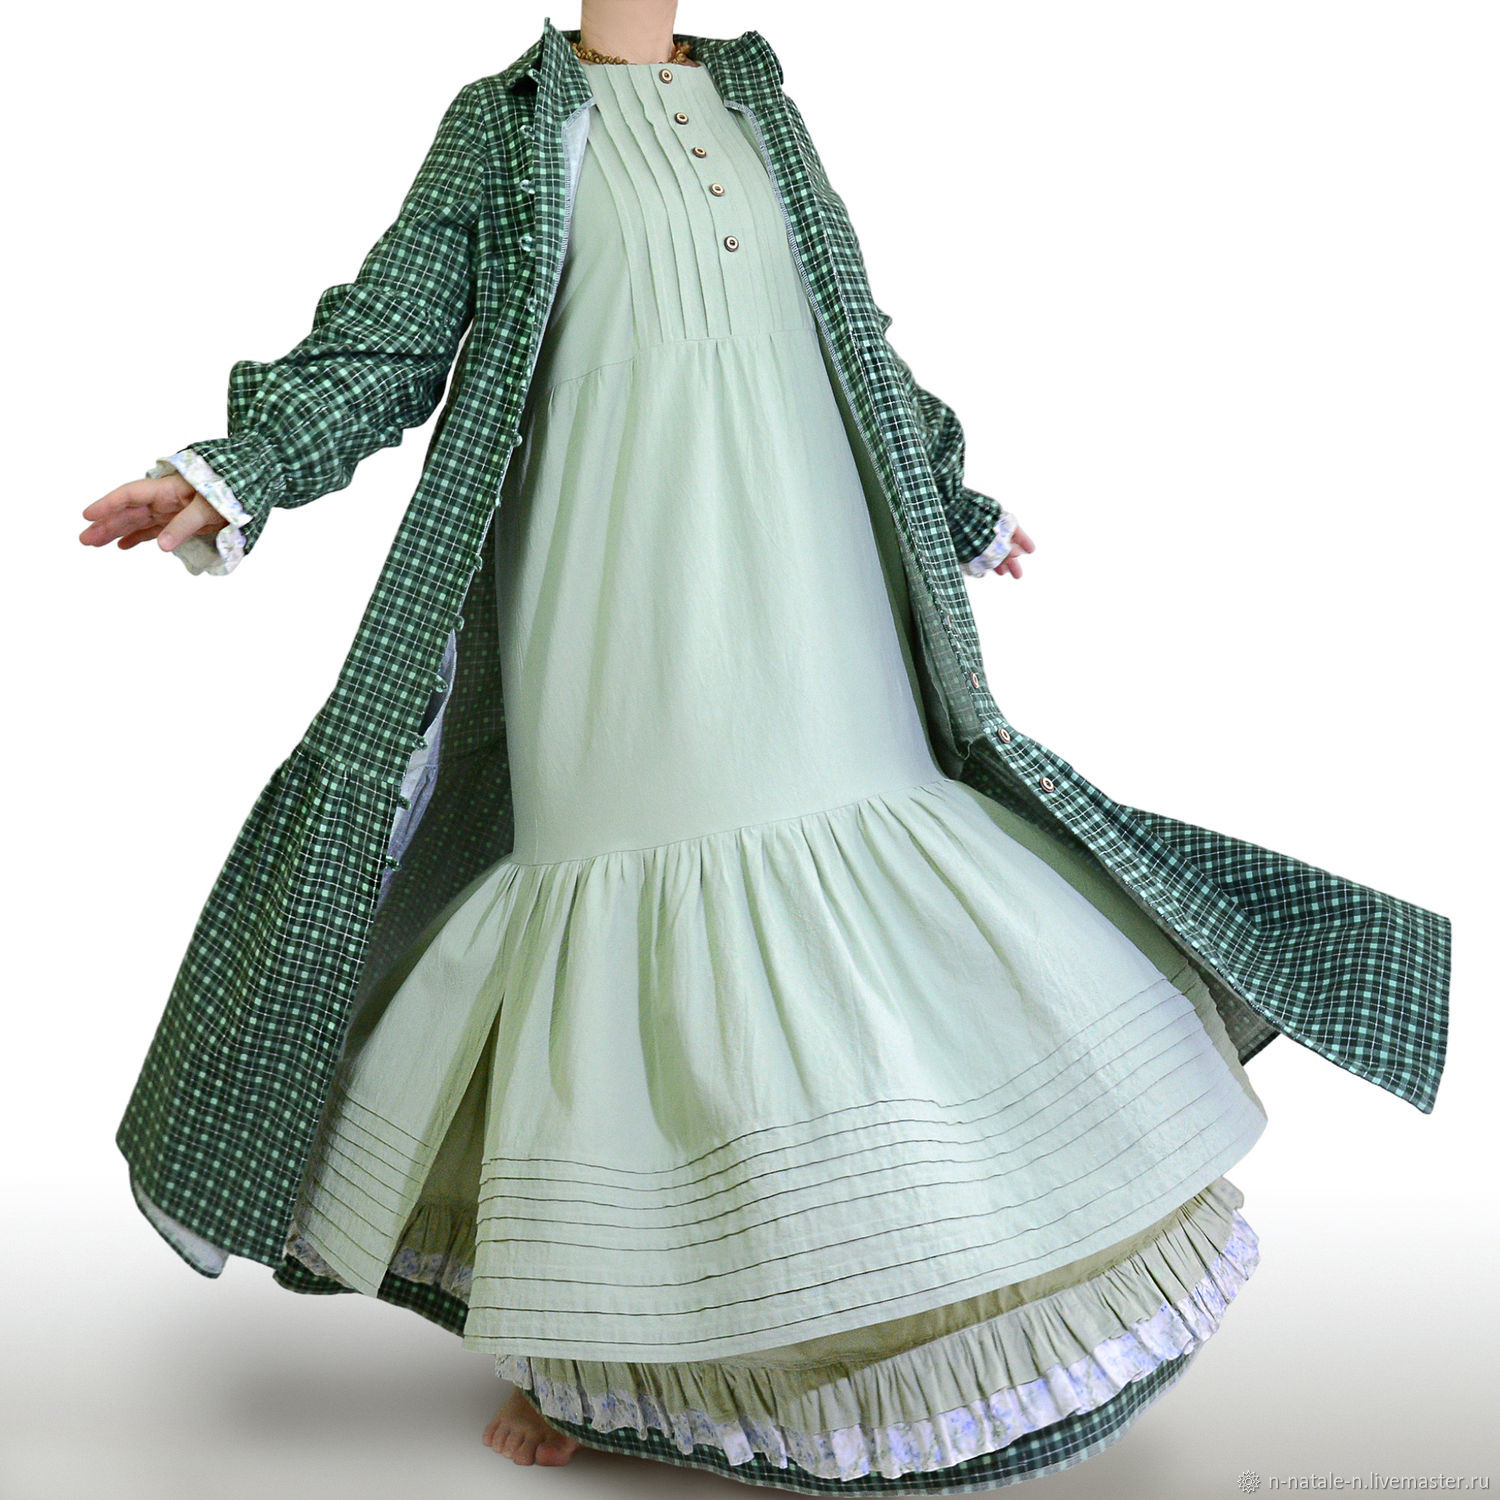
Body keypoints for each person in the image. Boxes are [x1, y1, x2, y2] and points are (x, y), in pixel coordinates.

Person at [79, 3, 1446, 1490]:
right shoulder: (504, 124)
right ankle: (601, 1356)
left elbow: (850, 329)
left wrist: (946, 494)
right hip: (615, 580)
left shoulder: (763, 106)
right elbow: (386, 337)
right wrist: (229, 473)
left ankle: (882, 1319)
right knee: (633, 922)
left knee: (863, 893)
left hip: (810, 567)